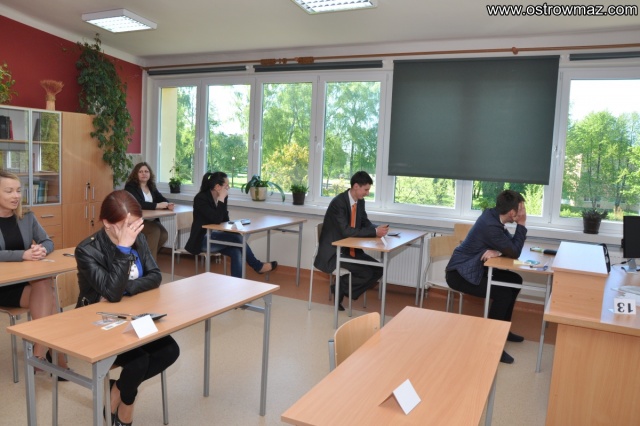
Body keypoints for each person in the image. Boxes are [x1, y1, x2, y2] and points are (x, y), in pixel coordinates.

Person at [75, 190, 180, 426]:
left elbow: (155, 276)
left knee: (169, 351)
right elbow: (111, 295)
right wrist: (123, 249)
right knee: (138, 361)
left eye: (136, 224)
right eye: (127, 226)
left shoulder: (138, 239)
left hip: (132, 314)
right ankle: (126, 406)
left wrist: (126, 288)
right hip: (98, 323)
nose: (134, 231)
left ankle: (118, 390)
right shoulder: (87, 250)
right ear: (107, 223)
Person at [445, 189, 527, 364]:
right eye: (521, 209)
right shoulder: (490, 224)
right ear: (512, 212)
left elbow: (509, 247)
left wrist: (498, 251)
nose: (523, 212)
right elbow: (514, 251)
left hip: (475, 268)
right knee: (503, 294)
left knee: (515, 280)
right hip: (460, 273)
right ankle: (492, 343)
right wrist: (522, 224)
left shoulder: (494, 217)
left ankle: (503, 330)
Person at [0, 171, 70, 371]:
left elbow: (48, 241)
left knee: (44, 282)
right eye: (9, 191)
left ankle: (39, 352)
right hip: (3, 286)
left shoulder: (27, 216)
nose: (16, 196)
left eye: (18, 191)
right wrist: (23, 254)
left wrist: (41, 250)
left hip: (25, 281)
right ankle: (54, 357)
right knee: (51, 298)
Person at [314, 171, 388, 311]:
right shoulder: (338, 203)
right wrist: (374, 232)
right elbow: (346, 231)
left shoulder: (360, 202)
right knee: (366, 273)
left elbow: (364, 222)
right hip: (335, 251)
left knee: (378, 269)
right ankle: (340, 288)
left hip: (351, 249)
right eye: (366, 189)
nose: (367, 193)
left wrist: (377, 229)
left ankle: (339, 287)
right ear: (356, 186)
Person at [184, 172, 277, 278]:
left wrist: (234, 227)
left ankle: (237, 283)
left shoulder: (222, 197)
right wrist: (221, 199)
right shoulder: (201, 198)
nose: (228, 188)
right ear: (217, 187)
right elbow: (216, 219)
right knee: (238, 239)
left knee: (236, 250)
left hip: (215, 237)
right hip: (202, 240)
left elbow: (224, 220)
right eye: (226, 186)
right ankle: (258, 266)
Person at [124, 162, 173, 262]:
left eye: (146, 171)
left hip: (150, 220)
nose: (144, 174)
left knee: (164, 235)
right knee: (154, 231)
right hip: (136, 221)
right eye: (141, 172)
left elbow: (160, 198)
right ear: (136, 174)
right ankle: (150, 264)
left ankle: (144, 258)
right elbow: (138, 203)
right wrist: (157, 205)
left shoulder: (151, 186)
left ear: (150, 174)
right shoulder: (130, 186)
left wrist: (168, 204)